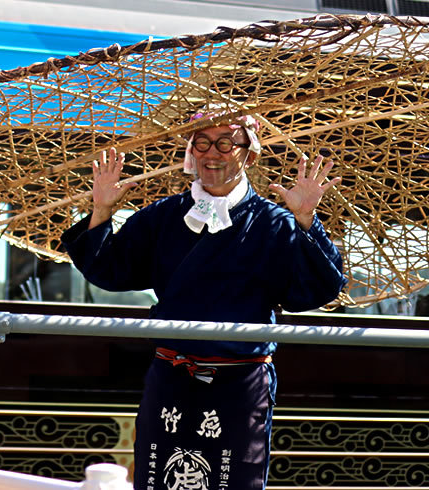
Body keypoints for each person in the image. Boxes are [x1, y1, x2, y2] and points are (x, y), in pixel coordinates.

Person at [61, 113, 347, 490]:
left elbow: (316, 290)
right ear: (190, 152)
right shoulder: (162, 216)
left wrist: (307, 218)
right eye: (202, 142)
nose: (212, 153)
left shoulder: (275, 222)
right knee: (159, 480)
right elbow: (110, 272)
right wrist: (102, 211)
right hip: (171, 376)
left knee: (234, 480)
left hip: (240, 381)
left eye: (226, 143)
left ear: (249, 155)